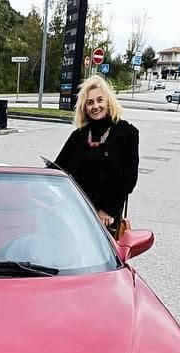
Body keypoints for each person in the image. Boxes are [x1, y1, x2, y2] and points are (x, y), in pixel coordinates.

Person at [53, 76, 139, 236]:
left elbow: (129, 179)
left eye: (100, 100)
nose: (95, 106)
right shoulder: (78, 136)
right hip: (76, 213)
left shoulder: (127, 133)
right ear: (84, 107)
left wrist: (107, 210)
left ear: (108, 101)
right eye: (90, 102)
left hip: (106, 220)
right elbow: (57, 169)